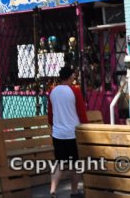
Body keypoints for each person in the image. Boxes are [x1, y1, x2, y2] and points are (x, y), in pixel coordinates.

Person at [48, 64, 88, 198]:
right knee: (74, 164)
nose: (74, 78)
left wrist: (56, 125)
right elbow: (82, 113)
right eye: (73, 76)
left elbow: (50, 115)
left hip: (57, 134)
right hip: (72, 133)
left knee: (59, 163)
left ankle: (53, 191)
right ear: (70, 77)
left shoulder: (52, 91)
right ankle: (74, 192)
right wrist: (86, 128)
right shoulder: (75, 91)